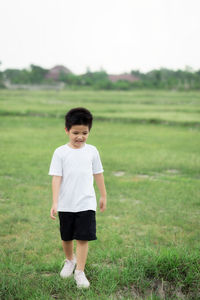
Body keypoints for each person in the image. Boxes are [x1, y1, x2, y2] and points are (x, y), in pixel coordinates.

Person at [48, 107, 107, 289]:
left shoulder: (92, 151)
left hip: (86, 202)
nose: (80, 137)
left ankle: (80, 271)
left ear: (89, 131)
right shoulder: (60, 152)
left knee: (83, 238)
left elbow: (98, 173)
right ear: (67, 130)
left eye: (84, 133)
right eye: (75, 133)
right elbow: (56, 178)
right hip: (66, 204)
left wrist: (103, 194)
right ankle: (69, 260)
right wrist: (55, 202)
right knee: (66, 237)